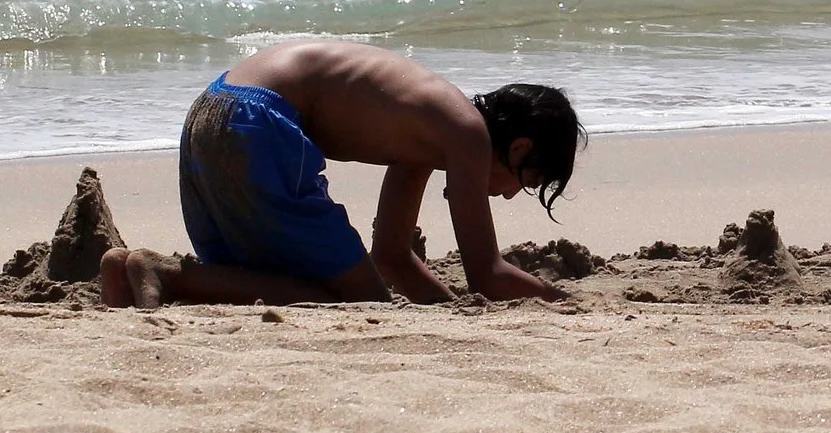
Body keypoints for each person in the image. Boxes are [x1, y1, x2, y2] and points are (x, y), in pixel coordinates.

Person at [97, 40, 583, 308]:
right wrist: (562, 302)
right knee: (357, 300)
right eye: (530, 181)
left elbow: (392, 256)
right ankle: (168, 273)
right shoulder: (467, 133)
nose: (514, 196)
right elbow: (486, 273)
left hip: (212, 111)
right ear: (519, 146)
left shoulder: (433, 127)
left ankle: (131, 269)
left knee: (273, 282)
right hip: (259, 121)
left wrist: (446, 307)